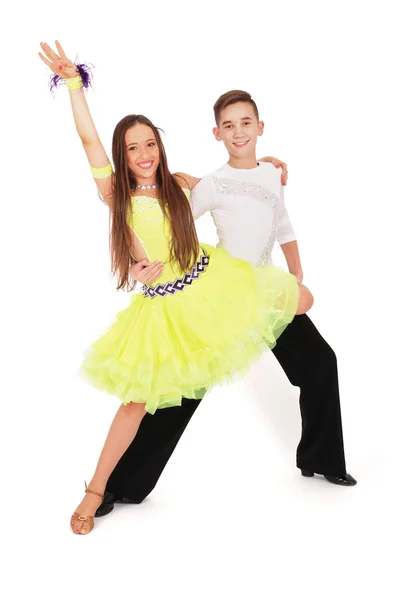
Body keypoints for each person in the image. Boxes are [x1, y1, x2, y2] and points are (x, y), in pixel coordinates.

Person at [38, 42, 313, 535]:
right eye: (132, 148)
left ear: (160, 147)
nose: (143, 155)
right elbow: (87, 140)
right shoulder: (115, 193)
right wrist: (75, 86)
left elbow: (234, 177)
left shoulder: (181, 184)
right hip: (163, 308)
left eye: (150, 144)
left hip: (208, 285)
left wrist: (265, 162)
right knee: (135, 402)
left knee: (301, 300)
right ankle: (98, 487)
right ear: (122, 157)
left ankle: (317, 430)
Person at [95, 89, 357, 519]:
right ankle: (123, 485)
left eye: (246, 123)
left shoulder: (273, 173)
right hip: (221, 293)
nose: (239, 132)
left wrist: (295, 270)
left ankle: (321, 461)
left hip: (266, 290)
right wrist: (139, 259)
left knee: (320, 363)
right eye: (229, 126)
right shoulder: (211, 183)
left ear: (260, 127)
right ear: (217, 133)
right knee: (183, 393)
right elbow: (169, 219)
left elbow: (283, 221)